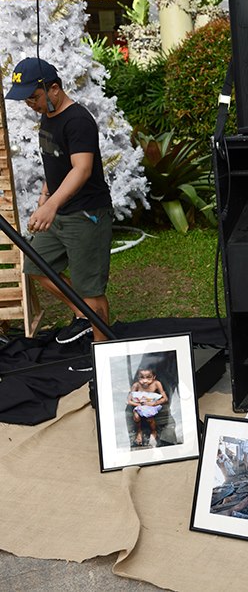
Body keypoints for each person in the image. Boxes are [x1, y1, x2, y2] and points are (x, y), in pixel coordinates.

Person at [5, 58, 113, 343]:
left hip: (87, 214)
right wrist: (45, 197)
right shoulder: (48, 116)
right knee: (36, 265)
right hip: (60, 209)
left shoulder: (77, 121)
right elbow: (56, 162)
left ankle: (102, 352)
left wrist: (51, 206)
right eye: (26, 99)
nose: (30, 104)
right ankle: (83, 316)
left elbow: (82, 169)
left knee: (90, 290)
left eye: (33, 96)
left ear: (54, 88)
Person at [126, 367, 168, 447]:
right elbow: (129, 400)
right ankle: (139, 431)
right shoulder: (136, 385)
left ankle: (153, 431)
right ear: (138, 377)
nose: (145, 381)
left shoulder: (156, 383)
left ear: (154, 377)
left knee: (150, 418)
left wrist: (153, 403)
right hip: (139, 405)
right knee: (136, 417)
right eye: (141, 377)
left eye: (148, 378)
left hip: (151, 405)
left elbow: (165, 398)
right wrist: (139, 404)